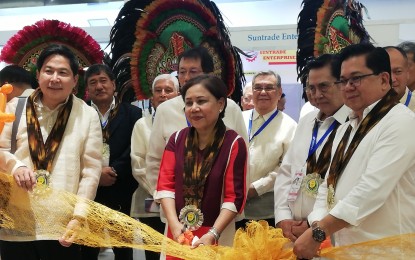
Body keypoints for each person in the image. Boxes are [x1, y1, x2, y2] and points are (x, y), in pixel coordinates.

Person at [293, 43, 415, 259]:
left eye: (356, 78)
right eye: (343, 80)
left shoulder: (400, 122)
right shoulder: (348, 126)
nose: (348, 86)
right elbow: (327, 185)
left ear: (384, 80)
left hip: (386, 251)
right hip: (343, 249)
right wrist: (317, 223)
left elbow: (370, 190)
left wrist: (318, 232)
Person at [0, 44, 102, 260]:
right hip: (17, 223)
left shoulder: (87, 115)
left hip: (62, 226)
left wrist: (79, 216)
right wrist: (15, 165)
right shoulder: (14, 108)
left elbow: (90, 172)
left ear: (75, 80)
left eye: (63, 72)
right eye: (49, 71)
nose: (55, 78)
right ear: (38, 75)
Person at [154, 75, 247, 255]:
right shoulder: (176, 139)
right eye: (189, 103)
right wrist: (174, 225)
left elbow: (234, 197)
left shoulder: (234, 143)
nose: (194, 108)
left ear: (220, 104)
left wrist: (213, 233)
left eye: (201, 101)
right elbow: (165, 186)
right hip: (178, 233)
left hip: (215, 234)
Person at [146, 46, 248, 208]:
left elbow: (242, 162)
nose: (186, 78)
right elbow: (154, 160)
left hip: (220, 208)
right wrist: (160, 197)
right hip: (175, 209)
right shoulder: (165, 110)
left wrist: (233, 205)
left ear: (208, 74)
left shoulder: (231, 108)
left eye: (193, 71)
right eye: (182, 72)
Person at [274, 54, 349, 242]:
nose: (316, 94)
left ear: (343, 83)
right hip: (292, 231)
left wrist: (311, 225)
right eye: (311, 88)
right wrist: (283, 217)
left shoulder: (353, 124)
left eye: (323, 86)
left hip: (330, 232)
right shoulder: (307, 121)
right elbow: (287, 171)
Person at [80, 64, 141, 259]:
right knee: (88, 248)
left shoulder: (133, 113)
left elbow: (136, 148)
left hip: (121, 188)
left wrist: (114, 170)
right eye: (93, 82)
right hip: (88, 192)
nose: (99, 86)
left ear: (113, 84)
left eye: (103, 80)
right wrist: (97, 174)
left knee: (123, 248)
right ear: (87, 90)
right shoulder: (79, 115)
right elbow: (74, 149)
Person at [237, 71, 297, 229]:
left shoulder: (290, 127)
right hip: (232, 207)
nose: (262, 92)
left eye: (269, 88)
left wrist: (256, 188)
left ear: (279, 92)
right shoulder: (239, 119)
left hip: (267, 211)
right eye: (258, 87)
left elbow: (287, 167)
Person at [130, 74, 179, 260]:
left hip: (182, 202)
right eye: (158, 91)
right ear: (152, 97)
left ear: (178, 94)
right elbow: (139, 164)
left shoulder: (187, 122)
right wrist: (160, 193)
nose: (163, 94)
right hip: (150, 201)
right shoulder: (141, 125)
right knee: (153, 254)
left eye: (168, 90)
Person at [385, 46, 415, 111]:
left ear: (407, 73)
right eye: (386, 73)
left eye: (398, 71)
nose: (392, 79)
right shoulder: (366, 105)